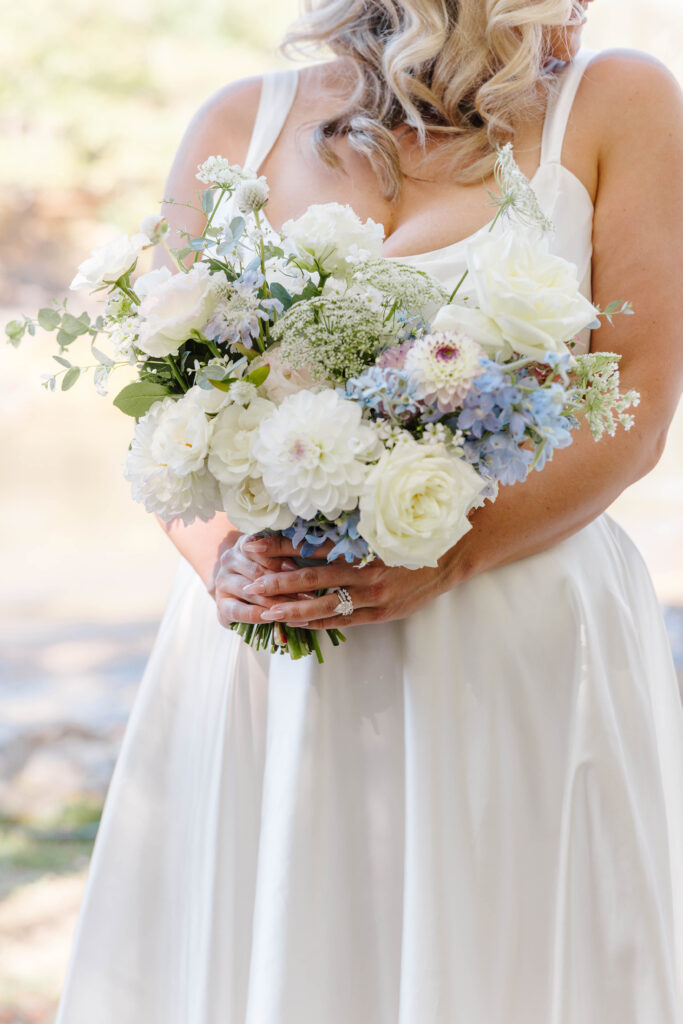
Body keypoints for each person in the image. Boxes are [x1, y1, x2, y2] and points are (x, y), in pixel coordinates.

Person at [55, 1, 683, 1021]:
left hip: (511, 637)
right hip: (274, 654)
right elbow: (167, 416)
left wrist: (452, 557)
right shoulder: (235, 126)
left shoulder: (617, 103)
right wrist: (221, 559)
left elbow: (636, 409)